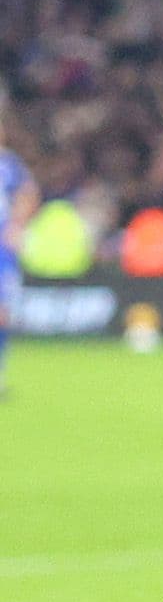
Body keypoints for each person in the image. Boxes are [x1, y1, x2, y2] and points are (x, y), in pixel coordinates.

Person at [0, 109, 32, 401]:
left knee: (2, 314)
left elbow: (27, 193)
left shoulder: (9, 165)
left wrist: (17, 225)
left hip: (2, 250)